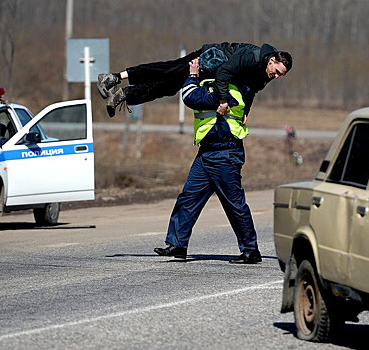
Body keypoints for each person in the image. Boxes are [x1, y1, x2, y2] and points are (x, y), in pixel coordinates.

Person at [154, 55, 289, 263]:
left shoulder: (223, 91)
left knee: (234, 204)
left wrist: (192, 75)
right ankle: (177, 245)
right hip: (207, 152)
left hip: (226, 154)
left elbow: (190, 97)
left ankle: (251, 250)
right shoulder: (235, 87)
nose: (277, 76)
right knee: (188, 198)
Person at [97, 42, 292, 118]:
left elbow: (250, 92)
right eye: (276, 71)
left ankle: (124, 95)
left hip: (212, 72)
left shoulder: (265, 73)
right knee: (170, 71)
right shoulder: (251, 57)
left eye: (279, 76)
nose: (275, 76)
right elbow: (224, 73)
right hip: (209, 58)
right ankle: (115, 77)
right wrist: (223, 101)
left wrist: (245, 114)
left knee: (167, 87)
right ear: (272, 60)